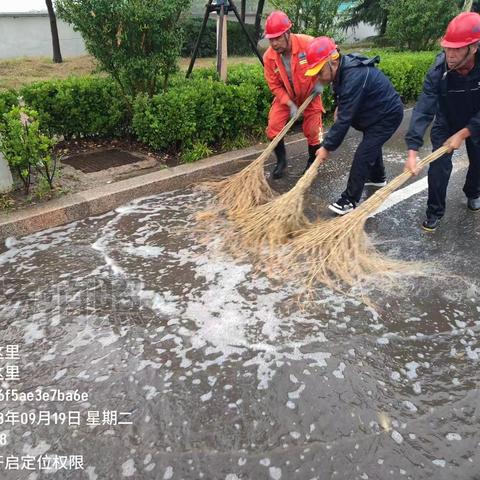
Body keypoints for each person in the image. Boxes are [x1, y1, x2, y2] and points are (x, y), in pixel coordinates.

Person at [304, 36, 404, 215]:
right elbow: (340, 96)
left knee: (363, 154)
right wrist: (337, 106)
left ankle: (349, 200)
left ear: (332, 62)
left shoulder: (354, 75)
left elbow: (344, 120)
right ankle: (378, 176)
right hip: (372, 113)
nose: (318, 78)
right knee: (371, 146)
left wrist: (326, 147)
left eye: (319, 73)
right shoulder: (341, 70)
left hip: (386, 116)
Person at [404, 11, 480, 232]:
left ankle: (473, 192)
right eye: (447, 47)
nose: (450, 55)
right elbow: (423, 109)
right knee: (438, 167)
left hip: (476, 120)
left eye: (456, 49)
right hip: (447, 119)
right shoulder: (438, 71)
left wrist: (464, 133)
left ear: (474, 47)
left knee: (478, 160)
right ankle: (434, 211)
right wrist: (412, 150)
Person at [263, 11, 324, 179]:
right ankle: (281, 161)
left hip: (311, 93)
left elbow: (329, 56)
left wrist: (322, 81)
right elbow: (274, 85)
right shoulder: (269, 57)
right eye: (271, 39)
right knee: (274, 127)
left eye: (278, 38)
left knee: (313, 130)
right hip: (287, 96)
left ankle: (312, 161)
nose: (274, 44)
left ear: (288, 33)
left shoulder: (308, 44)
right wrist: (289, 103)